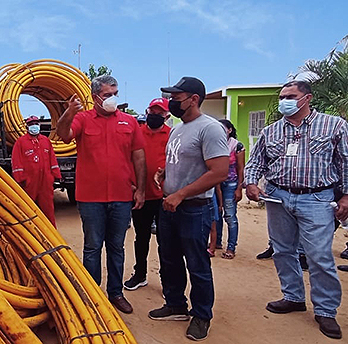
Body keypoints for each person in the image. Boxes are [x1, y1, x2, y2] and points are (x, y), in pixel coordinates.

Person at [244, 80, 348, 340]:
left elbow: (345, 162)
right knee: (283, 251)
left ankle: (325, 310)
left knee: (319, 256)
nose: (284, 101)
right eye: (282, 96)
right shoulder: (272, 131)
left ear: (307, 98)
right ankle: (293, 297)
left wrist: (347, 195)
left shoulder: (333, 125)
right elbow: (256, 161)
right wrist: (251, 183)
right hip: (278, 197)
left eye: (290, 96)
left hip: (316, 199)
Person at [56, 75, 146, 314]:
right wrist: (68, 112)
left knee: (116, 247)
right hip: (90, 198)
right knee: (93, 246)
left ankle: (115, 293)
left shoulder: (129, 122)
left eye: (115, 93)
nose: (112, 99)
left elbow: (138, 156)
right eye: (107, 95)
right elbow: (64, 134)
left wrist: (141, 190)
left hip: (121, 196)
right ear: (95, 97)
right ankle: (91, 294)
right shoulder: (83, 119)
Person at [148, 76, 229, 341]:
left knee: (197, 263)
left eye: (177, 97)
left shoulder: (210, 129)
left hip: (194, 208)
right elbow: (182, 163)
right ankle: (175, 305)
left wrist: (181, 193)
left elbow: (219, 172)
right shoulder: (178, 128)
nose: (172, 102)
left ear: (194, 99)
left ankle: (202, 315)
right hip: (170, 205)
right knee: (169, 258)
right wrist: (165, 174)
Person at [124, 97, 171, 291]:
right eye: (152, 112)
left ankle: (167, 280)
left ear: (166, 116)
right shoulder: (137, 133)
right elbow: (127, 160)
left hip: (163, 197)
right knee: (141, 237)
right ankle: (140, 274)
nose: (155, 116)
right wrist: (132, 186)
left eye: (159, 113)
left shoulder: (171, 135)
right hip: (140, 196)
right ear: (147, 111)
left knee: (165, 240)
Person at [11, 116, 62, 226]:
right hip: (29, 181)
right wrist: (21, 178)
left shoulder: (46, 141)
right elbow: (16, 161)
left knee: (48, 208)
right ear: (27, 127)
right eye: (31, 124)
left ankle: (51, 233)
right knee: (28, 208)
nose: (34, 126)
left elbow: (52, 158)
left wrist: (55, 175)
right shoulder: (21, 142)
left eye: (36, 123)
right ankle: (30, 233)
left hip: (46, 181)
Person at [216, 119, 244, 259]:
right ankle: (217, 242)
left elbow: (241, 168)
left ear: (230, 130)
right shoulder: (214, 144)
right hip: (215, 184)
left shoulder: (237, 146)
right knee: (216, 214)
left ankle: (231, 247)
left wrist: (239, 188)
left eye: (223, 128)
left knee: (230, 216)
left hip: (230, 185)